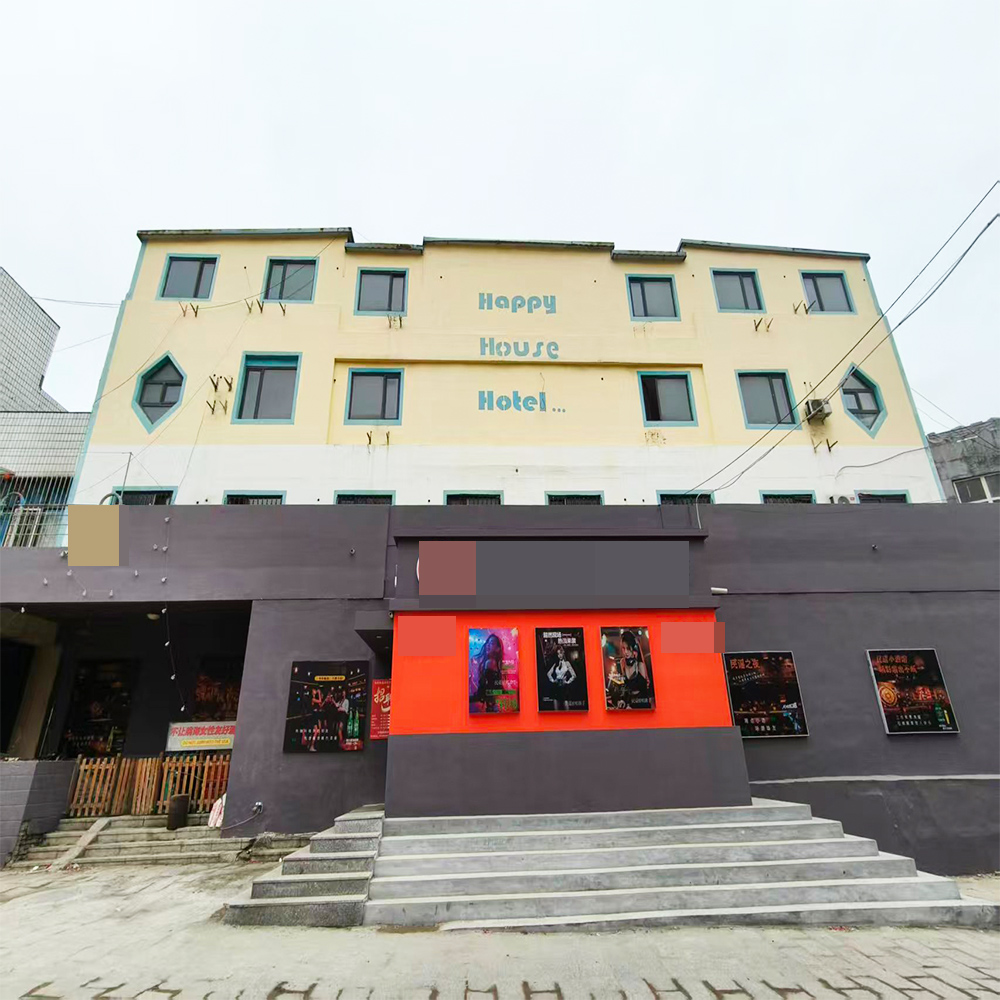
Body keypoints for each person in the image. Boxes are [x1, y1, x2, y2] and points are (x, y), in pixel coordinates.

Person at [472, 633, 505, 712]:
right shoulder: (496, 663)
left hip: (489, 704)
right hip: (493, 703)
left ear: (498, 649)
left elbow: (483, 687)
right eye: (487, 643)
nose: (488, 645)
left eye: (492, 643)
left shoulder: (490, 662)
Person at [620, 629, 651, 708]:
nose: (625, 652)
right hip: (630, 703)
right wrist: (624, 701)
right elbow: (625, 687)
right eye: (623, 648)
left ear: (633, 648)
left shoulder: (640, 665)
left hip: (642, 704)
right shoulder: (622, 663)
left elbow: (645, 690)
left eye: (628, 648)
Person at [546, 644, 577, 710]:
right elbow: (548, 674)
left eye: (561, 653)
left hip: (564, 687)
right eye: (558, 654)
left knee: (566, 708)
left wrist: (567, 682)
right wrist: (553, 680)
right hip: (556, 687)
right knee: (556, 709)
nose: (559, 655)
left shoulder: (567, 663)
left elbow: (574, 675)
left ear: (563, 653)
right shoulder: (556, 664)